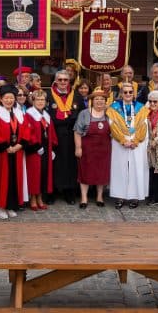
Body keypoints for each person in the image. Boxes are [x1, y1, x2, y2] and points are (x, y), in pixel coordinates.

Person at [107, 81, 149, 209]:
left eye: (130, 92)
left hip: (137, 142)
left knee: (136, 168)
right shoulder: (113, 108)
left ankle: (135, 196)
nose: (128, 94)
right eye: (125, 92)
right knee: (120, 168)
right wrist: (123, 140)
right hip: (120, 142)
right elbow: (112, 125)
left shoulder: (141, 108)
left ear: (134, 93)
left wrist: (135, 140)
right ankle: (120, 196)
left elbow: (144, 125)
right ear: (121, 93)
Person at [0, 85, 28, 219]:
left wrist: (20, 145)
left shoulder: (19, 113)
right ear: (1, 98)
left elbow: (26, 130)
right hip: (3, 153)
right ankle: (1, 207)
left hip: (17, 151)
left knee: (14, 179)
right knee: (3, 179)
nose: (9, 100)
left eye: (11, 98)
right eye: (6, 98)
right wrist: (6, 146)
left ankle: (11, 205)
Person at [45, 69, 84, 204]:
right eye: (60, 79)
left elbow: (81, 116)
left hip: (71, 135)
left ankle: (70, 192)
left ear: (69, 81)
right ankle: (52, 192)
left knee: (70, 164)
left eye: (65, 80)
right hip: (53, 134)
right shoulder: (48, 96)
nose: (62, 82)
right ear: (55, 81)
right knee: (53, 164)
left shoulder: (77, 96)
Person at [74, 87, 112, 208]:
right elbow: (77, 131)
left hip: (104, 149)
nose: (99, 101)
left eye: (102, 99)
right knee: (85, 172)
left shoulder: (109, 114)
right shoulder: (84, 113)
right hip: (87, 148)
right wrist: (78, 147)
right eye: (97, 99)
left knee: (102, 173)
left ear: (105, 101)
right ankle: (84, 198)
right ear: (92, 100)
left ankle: (99, 196)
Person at [22, 89, 56, 212]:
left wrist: (52, 147)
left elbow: (51, 133)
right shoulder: (29, 114)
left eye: (43, 100)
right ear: (33, 101)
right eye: (38, 99)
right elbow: (27, 132)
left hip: (46, 148)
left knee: (43, 173)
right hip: (35, 149)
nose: (41, 102)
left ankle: (40, 197)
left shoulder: (46, 115)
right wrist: (36, 146)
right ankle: (33, 198)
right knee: (34, 174)